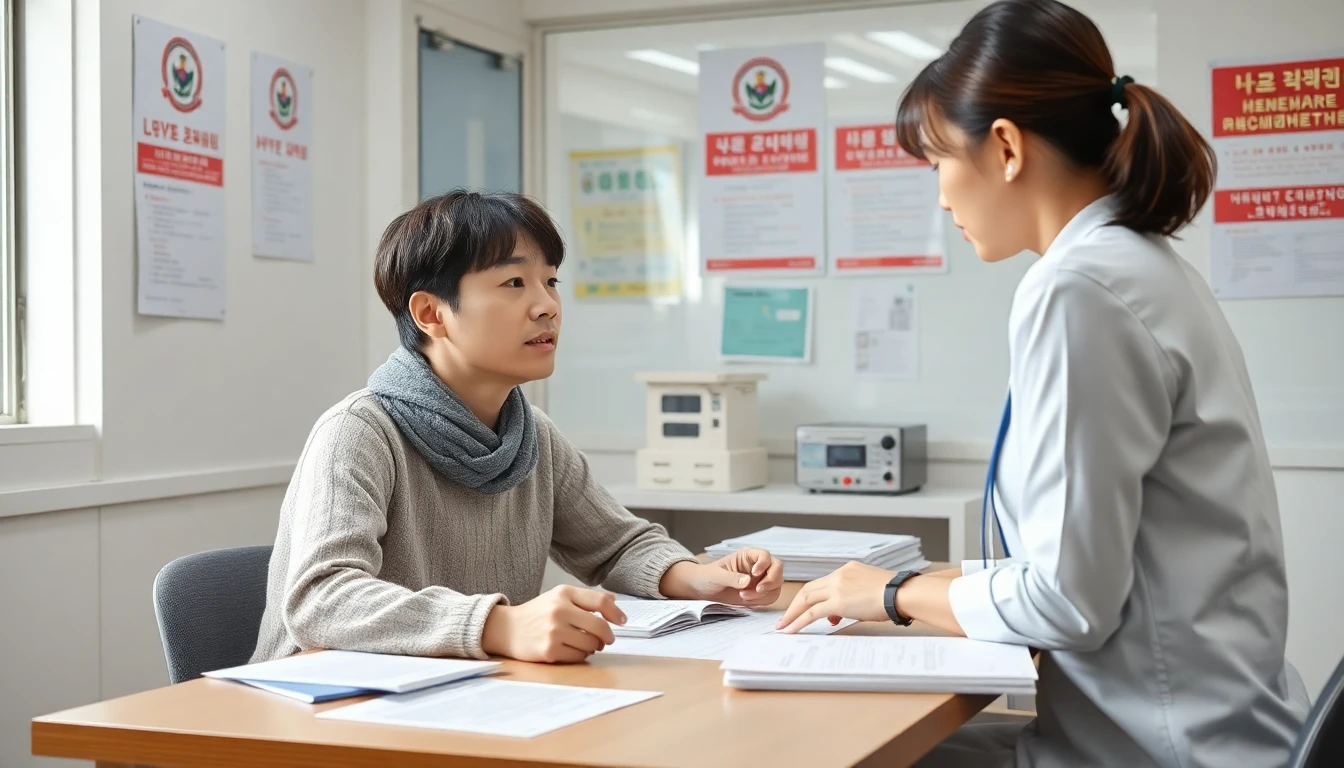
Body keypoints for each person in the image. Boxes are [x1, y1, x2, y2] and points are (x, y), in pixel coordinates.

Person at [776, 1, 1311, 765]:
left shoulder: (1080, 287)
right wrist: (922, 580)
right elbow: (1085, 561)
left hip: (1159, 748)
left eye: (938, 163)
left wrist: (891, 596)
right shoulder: (1141, 265)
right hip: (1196, 724)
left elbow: (1066, 602)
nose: (939, 195)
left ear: (1004, 148)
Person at [252, 190, 783, 665]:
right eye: (513, 282)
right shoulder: (360, 432)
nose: (547, 305)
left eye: (551, 281)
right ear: (431, 313)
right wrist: (499, 625)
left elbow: (616, 545)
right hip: (320, 710)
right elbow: (322, 599)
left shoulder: (530, 433)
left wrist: (701, 579)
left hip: (464, 698)